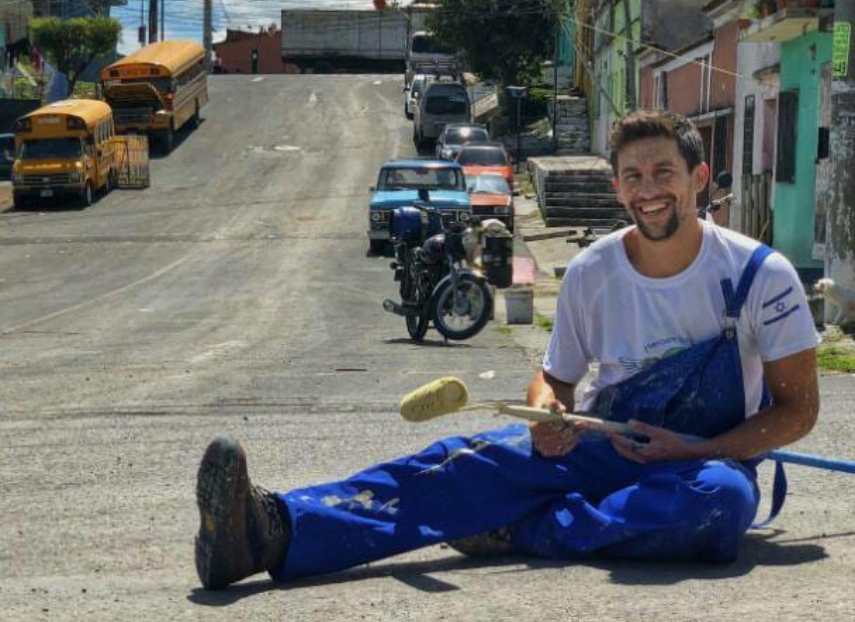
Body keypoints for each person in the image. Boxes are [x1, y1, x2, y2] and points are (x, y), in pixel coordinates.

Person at [194, 109, 819, 590]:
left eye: (664, 174)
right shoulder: (591, 271)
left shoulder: (758, 275)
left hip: (699, 463)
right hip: (601, 448)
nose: (649, 190)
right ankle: (272, 531)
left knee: (720, 505)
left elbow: (797, 409)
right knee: (459, 462)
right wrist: (549, 415)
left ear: (698, 178)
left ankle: (523, 527)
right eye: (634, 176)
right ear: (617, 187)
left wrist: (699, 448)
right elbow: (557, 378)